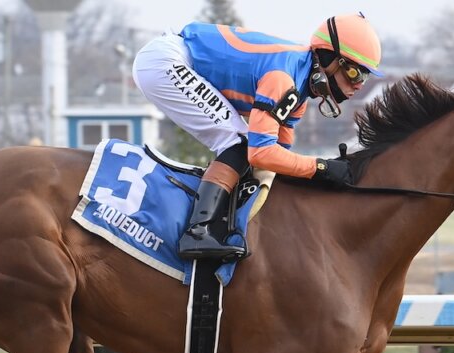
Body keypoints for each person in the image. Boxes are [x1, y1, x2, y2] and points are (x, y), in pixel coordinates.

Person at [132, 14, 383, 260]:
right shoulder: (283, 79)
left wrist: (319, 176)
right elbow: (260, 153)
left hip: (170, 58)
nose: (359, 85)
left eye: (366, 77)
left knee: (241, 144)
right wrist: (322, 168)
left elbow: (279, 158)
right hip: (166, 62)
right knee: (239, 144)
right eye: (355, 73)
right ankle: (197, 231)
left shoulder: (299, 91)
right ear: (330, 60)